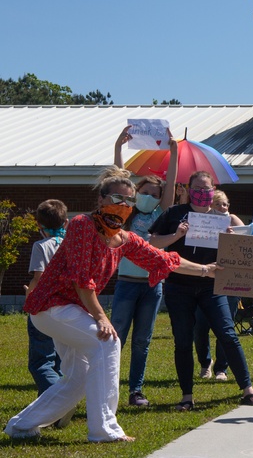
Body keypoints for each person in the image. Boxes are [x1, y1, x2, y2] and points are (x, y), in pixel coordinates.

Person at [5, 167, 215, 442]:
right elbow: (82, 280)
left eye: (129, 202)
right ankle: (104, 429)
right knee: (107, 342)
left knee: (77, 379)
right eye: (117, 199)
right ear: (102, 200)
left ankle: (20, 426)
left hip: (72, 310)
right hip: (50, 306)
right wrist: (102, 318)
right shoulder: (82, 224)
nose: (123, 206)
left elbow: (163, 260)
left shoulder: (123, 239)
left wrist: (206, 270)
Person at [149, 170, 253, 410]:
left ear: (213, 191)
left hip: (212, 286)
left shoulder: (220, 218)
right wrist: (177, 234)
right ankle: (186, 396)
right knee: (182, 340)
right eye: (198, 189)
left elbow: (238, 252)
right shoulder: (173, 214)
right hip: (179, 286)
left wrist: (229, 240)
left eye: (207, 189)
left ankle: (247, 389)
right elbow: (152, 243)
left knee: (228, 334)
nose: (202, 193)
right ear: (189, 190)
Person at [110, 125, 178, 407]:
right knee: (116, 340)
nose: (149, 196)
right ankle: (107, 387)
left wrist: (173, 153)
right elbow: (117, 178)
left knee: (142, 342)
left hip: (152, 287)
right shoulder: (126, 212)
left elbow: (171, 186)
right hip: (126, 284)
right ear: (136, 193)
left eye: (154, 193)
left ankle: (135, 391)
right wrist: (118, 147)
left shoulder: (161, 214)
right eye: (145, 192)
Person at [193, 188, 244, 381]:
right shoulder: (203, 223)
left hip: (230, 281)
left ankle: (221, 368)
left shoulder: (233, 220)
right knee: (200, 327)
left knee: (226, 327)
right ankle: (205, 363)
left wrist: (234, 236)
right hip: (205, 280)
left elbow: (249, 239)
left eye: (225, 204)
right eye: (217, 204)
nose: (222, 207)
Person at [23, 200, 68, 396]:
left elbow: (38, 277)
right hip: (67, 308)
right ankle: (57, 407)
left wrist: (29, 294)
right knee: (59, 361)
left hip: (44, 308)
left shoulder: (41, 246)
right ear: (65, 222)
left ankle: (59, 400)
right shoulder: (71, 245)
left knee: (41, 362)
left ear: (39, 225)